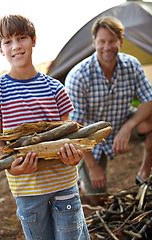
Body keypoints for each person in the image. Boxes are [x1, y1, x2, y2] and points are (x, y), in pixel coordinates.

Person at [0, 15, 90, 240]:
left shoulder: (55, 88)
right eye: (7, 41)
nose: (16, 46)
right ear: (0, 49)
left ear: (33, 40)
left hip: (63, 182)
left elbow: (69, 134)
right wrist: (11, 167)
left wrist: (75, 157)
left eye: (22, 38)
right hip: (26, 189)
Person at [65, 16, 152, 206]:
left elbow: (149, 100)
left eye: (112, 41)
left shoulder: (132, 65)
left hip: (121, 121)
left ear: (121, 41)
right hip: (89, 136)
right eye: (102, 41)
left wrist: (128, 127)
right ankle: (83, 179)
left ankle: (145, 173)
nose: (107, 47)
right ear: (94, 42)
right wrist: (93, 167)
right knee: (98, 199)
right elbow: (74, 129)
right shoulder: (78, 76)